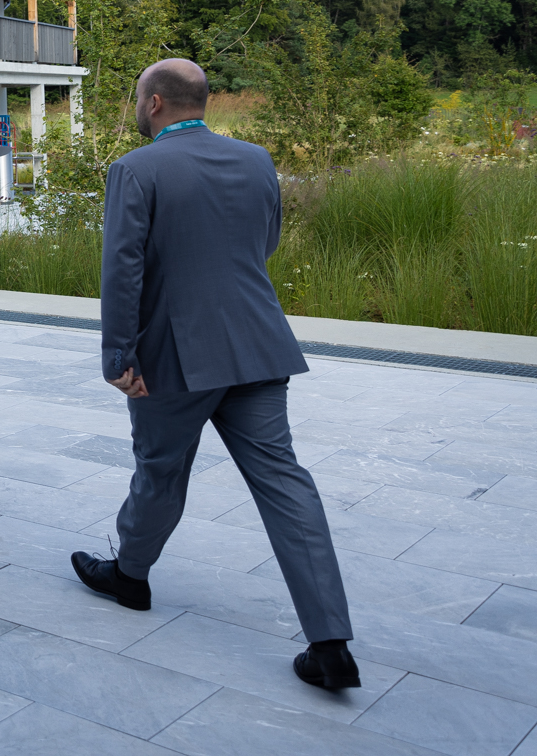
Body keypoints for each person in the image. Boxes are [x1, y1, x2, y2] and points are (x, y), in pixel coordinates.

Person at [70, 58, 359, 691]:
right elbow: (265, 241)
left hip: (173, 359)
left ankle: (130, 576)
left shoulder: (135, 169)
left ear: (153, 106)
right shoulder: (256, 160)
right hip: (257, 345)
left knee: (161, 470)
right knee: (286, 483)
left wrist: (118, 355)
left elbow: (122, 270)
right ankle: (330, 641)